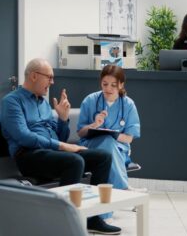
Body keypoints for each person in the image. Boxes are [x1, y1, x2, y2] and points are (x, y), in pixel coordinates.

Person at [0, 58, 121, 235]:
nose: (52, 82)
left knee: (102, 157)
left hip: (50, 153)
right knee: (74, 161)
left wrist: (63, 119)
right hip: (28, 156)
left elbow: (59, 136)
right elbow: (23, 137)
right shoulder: (11, 102)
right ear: (34, 76)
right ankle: (61, 223)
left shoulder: (43, 103)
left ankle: (93, 219)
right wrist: (62, 146)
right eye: (49, 77)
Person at [77, 65, 140, 192]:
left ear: (121, 85)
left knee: (108, 141)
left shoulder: (128, 105)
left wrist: (114, 135)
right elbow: (81, 133)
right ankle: (123, 188)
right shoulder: (90, 101)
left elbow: (129, 138)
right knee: (107, 141)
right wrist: (94, 125)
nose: (108, 89)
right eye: (105, 84)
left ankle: (107, 199)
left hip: (119, 148)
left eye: (113, 85)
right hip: (91, 146)